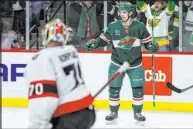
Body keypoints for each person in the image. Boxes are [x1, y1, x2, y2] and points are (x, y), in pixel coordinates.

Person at [84, 3, 159, 124]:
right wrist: (94, 42)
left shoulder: (139, 26)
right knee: (114, 89)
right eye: (120, 12)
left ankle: (138, 113)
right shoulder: (113, 26)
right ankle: (113, 112)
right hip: (117, 63)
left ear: (130, 13)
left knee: (138, 89)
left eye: (124, 12)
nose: (121, 14)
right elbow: (104, 39)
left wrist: (151, 46)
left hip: (135, 63)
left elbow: (147, 41)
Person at [25, 19, 95, 129]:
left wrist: (37, 124)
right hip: (88, 113)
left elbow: (45, 97)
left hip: (68, 116)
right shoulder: (71, 51)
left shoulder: (42, 58)